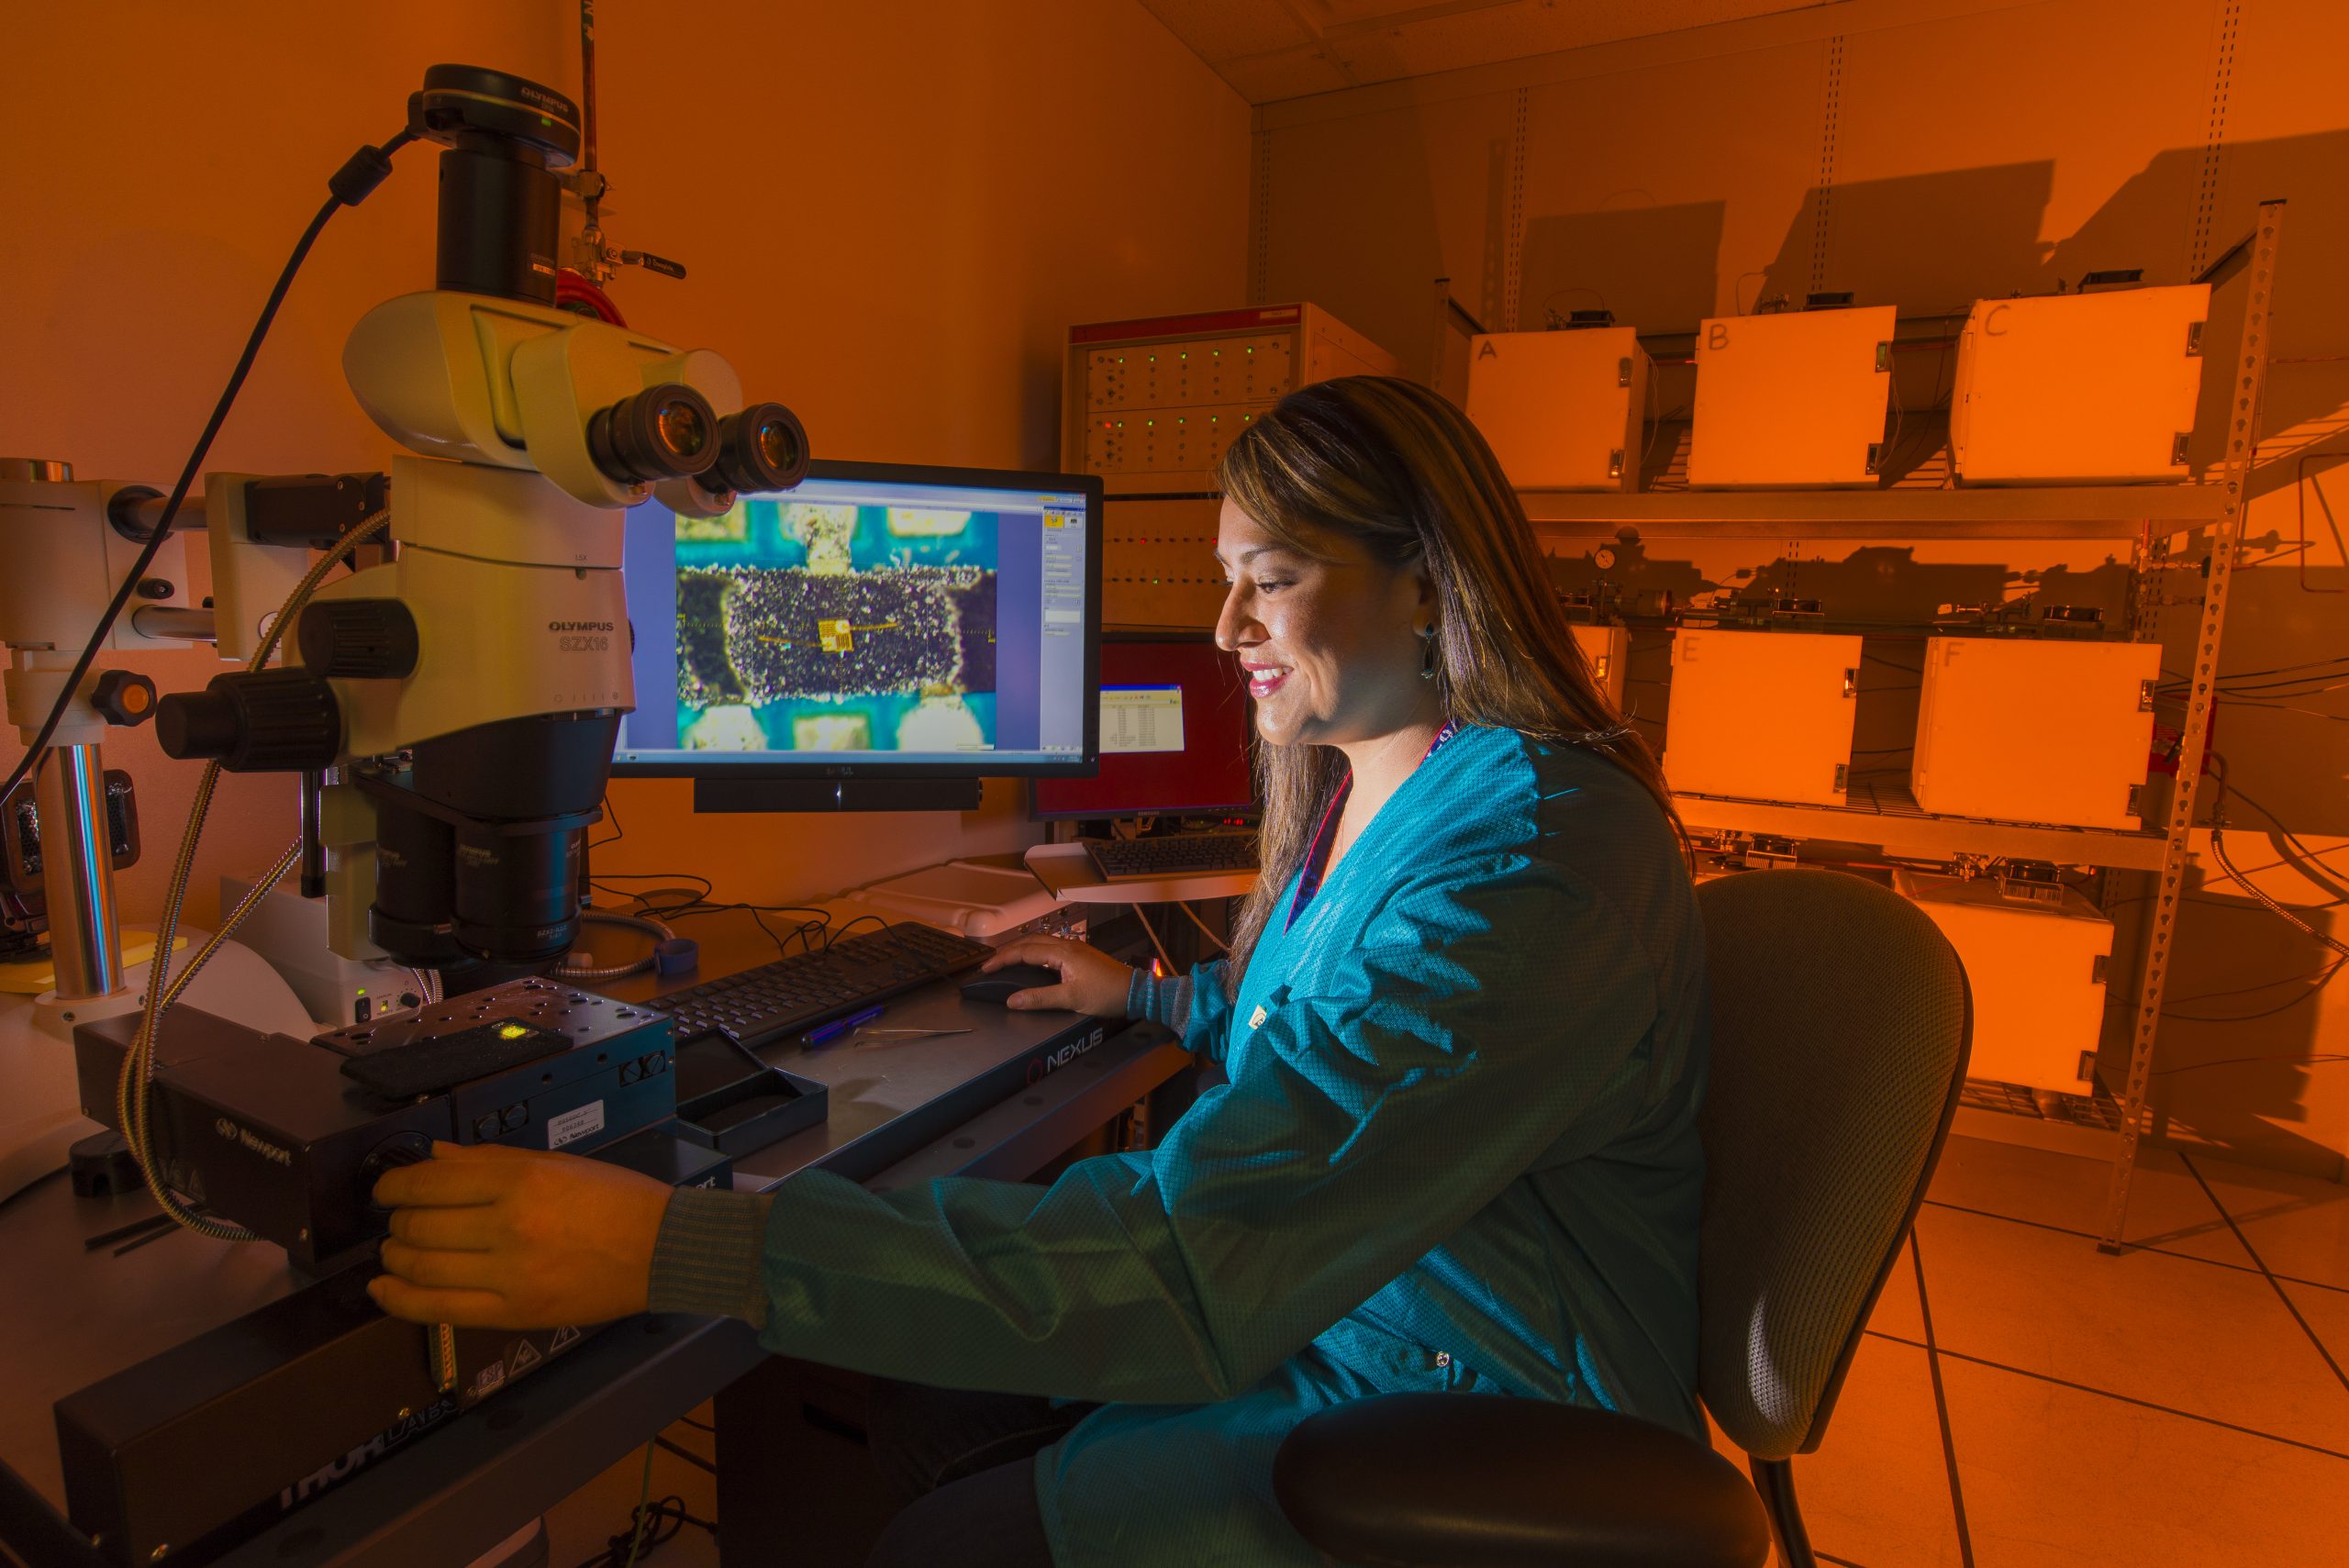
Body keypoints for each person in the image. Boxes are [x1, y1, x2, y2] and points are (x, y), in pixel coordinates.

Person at [370, 375, 1709, 1568]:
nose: (1225, 626)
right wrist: (1150, 997)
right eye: (1227, 576)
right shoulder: (1395, 781)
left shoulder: (1527, 867)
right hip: (1333, 1296)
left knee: (942, 1543)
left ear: (1426, 581)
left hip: (1453, 1400)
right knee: (922, 1397)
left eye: (1273, 576)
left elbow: (1194, 1256)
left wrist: (675, 1244)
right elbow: (1334, 1028)